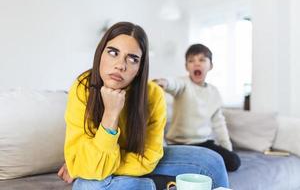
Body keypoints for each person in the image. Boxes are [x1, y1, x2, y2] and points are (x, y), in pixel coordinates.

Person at [58, 22, 229, 190]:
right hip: (119, 162)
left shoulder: (153, 95)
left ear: (140, 67)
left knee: (212, 162)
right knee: (88, 187)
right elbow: (85, 161)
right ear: (100, 53)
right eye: (113, 52)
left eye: (133, 59)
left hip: (129, 162)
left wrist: (87, 165)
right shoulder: (83, 88)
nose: (120, 65)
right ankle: (163, 185)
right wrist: (110, 114)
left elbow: (148, 159)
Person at [154, 44, 241, 172]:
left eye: (202, 60)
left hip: (204, 143)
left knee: (234, 161)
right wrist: (164, 82)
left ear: (210, 65)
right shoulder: (183, 84)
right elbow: (173, 83)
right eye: (191, 61)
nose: (196, 64)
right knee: (200, 164)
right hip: (179, 144)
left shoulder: (214, 92)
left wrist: (227, 149)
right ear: (186, 67)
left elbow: (219, 123)